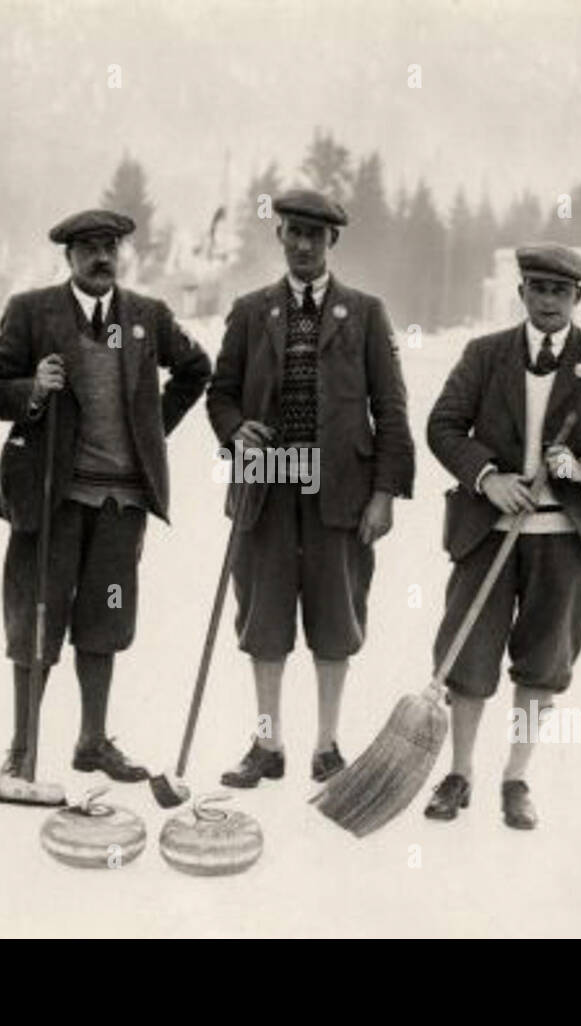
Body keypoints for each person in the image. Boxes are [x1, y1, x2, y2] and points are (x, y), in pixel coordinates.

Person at [0, 209, 210, 787]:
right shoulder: (32, 311)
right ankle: (21, 746)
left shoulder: (147, 317)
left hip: (121, 504)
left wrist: (150, 429)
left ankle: (92, 740)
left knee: (104, 620)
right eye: (88, 248)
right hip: (51, 497)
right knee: (36, 619)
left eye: (109, 246)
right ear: (69, 257)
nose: (101, 257)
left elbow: (196, 369)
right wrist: (33, 389)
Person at [423, 243, 581, 827]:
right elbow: (443, 426)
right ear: (521, 293)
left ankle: (516, 777)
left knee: (543, 663)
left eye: (561, 291)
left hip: (563, 542)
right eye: (538, 288)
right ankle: (460, 772)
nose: (549, 300)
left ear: (578, 298)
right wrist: (487, 477)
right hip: (488, 535)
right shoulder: (484, 354)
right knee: (468, 659)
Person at [207, 188, 415, 788]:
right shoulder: (250, 312)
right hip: (266, 487)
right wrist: (233, 429)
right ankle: (268, 744)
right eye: (294, 231)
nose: (303, 244)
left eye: (315, 236)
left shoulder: (367, 313)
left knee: (335, 619)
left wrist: (384, 494)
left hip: (341, 493)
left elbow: (392, 411)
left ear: (333, 243)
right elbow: (220, 393)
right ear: (279, 235)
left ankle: (326, 746)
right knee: (264, 619)